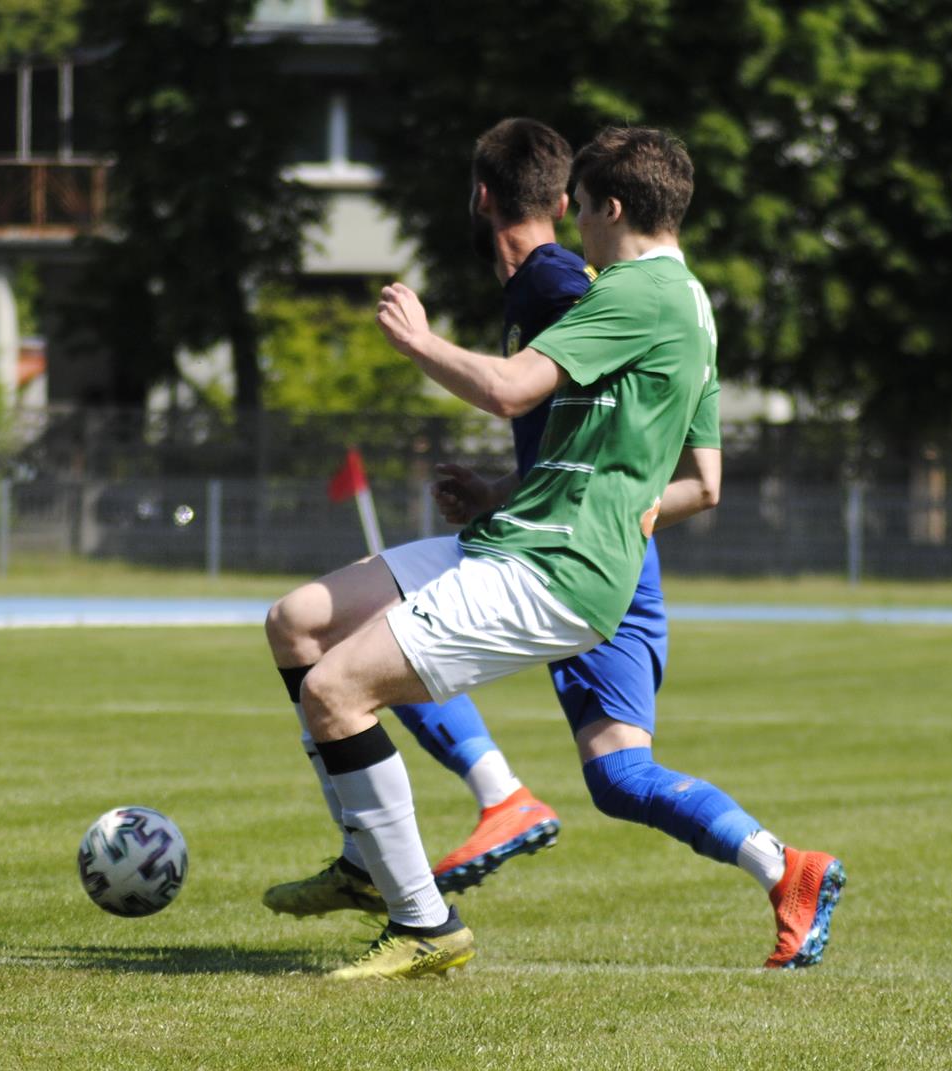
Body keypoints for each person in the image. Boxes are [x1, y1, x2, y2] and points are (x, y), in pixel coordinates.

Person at [264, 126, 844, 980]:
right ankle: (373, 857)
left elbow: (507, 388)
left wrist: (417, 340)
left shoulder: (628, 291)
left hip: (555, 568)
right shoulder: (692, 306)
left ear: (608, 208)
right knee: (299, 622)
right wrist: (559, 501)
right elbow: (704, 483)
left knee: (336, 689)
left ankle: (423, 920)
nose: (574, 234)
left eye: (583, 214)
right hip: (528, 536)